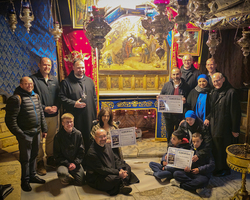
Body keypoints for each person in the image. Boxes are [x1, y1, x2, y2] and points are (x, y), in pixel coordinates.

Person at [5, 77, 47, 192]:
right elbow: (10, 120)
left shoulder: (36, 96)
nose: (29, 86)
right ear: (21, 85)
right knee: (25, 159)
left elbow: (41, 113)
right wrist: (20, 134)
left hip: (36, 132)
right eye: (26, 84)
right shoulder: (16, 98)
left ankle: (32, 176)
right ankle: (25, 180)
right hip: (25, 134)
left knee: (34, 155)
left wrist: (44, 128)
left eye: (31, 84)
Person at [206, 72, 241, 176]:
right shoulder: (212, 92)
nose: (216, 83)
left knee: (223, 147)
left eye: (218, 80)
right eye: (214, 81)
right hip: (214, 125)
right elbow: (212, 109)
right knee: (216, 147)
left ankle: (224, 169)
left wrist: (235, 129)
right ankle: (217, 167)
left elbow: (236, 113)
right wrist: (208, 118)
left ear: (223, 79)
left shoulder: (231, 92)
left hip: (225, 126)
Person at [86, 128, 139, 196]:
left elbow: (115, 159)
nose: (103, 139)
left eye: (104, 136)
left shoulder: (107, 145)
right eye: (100, 137)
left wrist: (120, 169)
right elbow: (102, 170)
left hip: (110, 169)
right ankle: (122, 184)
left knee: (126, 166)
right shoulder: (92, 153)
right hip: (98, 176)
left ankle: (121, 183)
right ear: (95, 137)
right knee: (112, 179)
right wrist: (118, 173)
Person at [59, 59, 97, 152]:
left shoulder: (89, 81)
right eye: (78, 67)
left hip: (89, 116)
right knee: (77, 139)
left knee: (89, 137)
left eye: (83, 67)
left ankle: (89, 158)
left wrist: (93, 113)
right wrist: (74, 104)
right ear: (73, 68)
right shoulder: (66, 82)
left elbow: (94, 98)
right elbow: (61, 98)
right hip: (76, 117)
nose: (81, 70)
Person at [30, 57, 60, 175]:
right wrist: (44, 108)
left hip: (53, 115)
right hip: (39, 115)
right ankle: (39, 161)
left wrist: (56, 106)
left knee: (51, 137)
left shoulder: (55, 80)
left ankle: (50, 157)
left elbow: (59, 96)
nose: (47, 67)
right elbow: (31, 98)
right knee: (38, 139)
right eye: (44, 65)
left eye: (49, 65)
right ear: (39, 65)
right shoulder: (33, 80)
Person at [53, 113, 85, 186]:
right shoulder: (58, 137)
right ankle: (66, 176)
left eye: (71, 122)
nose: (70, 124)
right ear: (63, 123)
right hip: (63, 163)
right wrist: (67, 164)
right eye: (67, 122)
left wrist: (75, 163)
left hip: (75, 162)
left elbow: (81, 151)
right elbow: (57, 155)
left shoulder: (78, 134)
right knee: (62, 174)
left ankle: (71, 174)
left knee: (81, 181)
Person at [160, 67, 190, 142]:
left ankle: (178, 150)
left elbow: (189, 102)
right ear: (171, 76)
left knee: (179, 135)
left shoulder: (186, 86)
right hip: (168, 115)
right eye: (174, 74)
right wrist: (160, 99)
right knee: (169, 133)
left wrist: (185, 102)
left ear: (180, 74)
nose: (175, 76)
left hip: (179, 115)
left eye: (177, 74)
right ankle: (169, 149)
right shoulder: (166, 85)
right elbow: (162, 95)